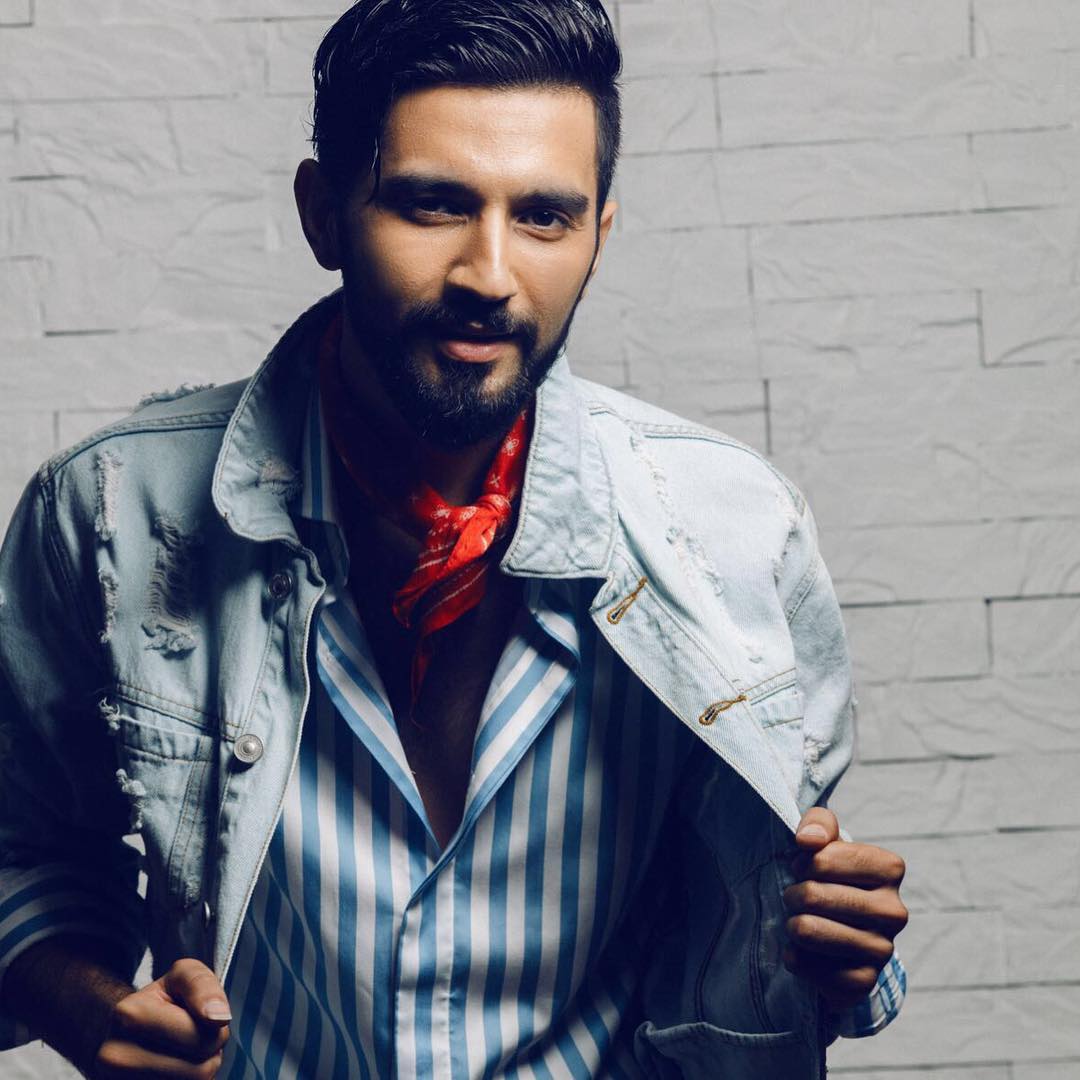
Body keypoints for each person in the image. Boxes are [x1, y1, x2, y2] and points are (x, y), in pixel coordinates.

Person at [0, 1, 908, 1077]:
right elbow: (24, 852)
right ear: (323, 215)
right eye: (433, 206)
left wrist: (827, 950)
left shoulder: (737, 533)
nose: (489, 274)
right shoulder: (109, 512)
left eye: (545, 217)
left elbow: (764, 910)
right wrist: (93, 1010)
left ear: (599, 234)